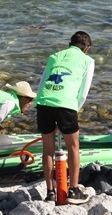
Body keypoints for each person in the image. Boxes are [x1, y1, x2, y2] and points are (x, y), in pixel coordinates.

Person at [36, 31, 95, 203]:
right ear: (87, 48)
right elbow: (83, 93)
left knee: (47, 150)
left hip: (43, 102)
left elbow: (41, 84)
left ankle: (50, 193)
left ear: (70, 44)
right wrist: (72, 111)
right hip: (66, 105)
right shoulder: (87, 61)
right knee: (73, 147)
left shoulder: (54, 56)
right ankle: (74, 190)